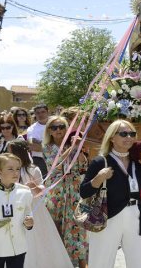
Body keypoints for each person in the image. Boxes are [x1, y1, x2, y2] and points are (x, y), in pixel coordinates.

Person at [80, 119, 141, 268]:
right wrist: (98, 179)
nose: (129, 137)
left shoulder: (138, 162)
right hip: (106, 217)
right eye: (123, 134)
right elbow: (84, 192)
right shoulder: (100, 161)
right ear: (112, 137)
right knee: (100, 263)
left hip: (136, 217)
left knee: (140, 263)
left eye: (132, 134)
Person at [7, 139, 74, 268]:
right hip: (14, 208)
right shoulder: (7, 170)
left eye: (10, 152)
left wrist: (33, 186)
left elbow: (42, 193)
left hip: (33, 209)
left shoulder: (33, 170)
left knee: (37, 239)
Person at [43, 115, 88, 268]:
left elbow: (83, 167)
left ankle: (82, 262)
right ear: (49, 130)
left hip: (75, 190)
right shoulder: (47, 148)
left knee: (77, 226)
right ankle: (59, 262)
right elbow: (56, 164)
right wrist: (73, 146)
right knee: (55, 227)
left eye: (62, 127)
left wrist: (80, 150)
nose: (58, 130)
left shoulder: (74, 143)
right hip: (56, 192)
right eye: (54, 127)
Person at [27, 104, 49, 178]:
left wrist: (39, 142)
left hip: (58, 158)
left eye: (43, 112)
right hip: (39, 160)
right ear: (35, 114)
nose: (40, 114)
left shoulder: (55, 125)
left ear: (47, 112)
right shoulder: (31, 129)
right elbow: (32, 146)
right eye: (38, 113)